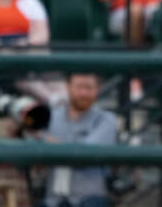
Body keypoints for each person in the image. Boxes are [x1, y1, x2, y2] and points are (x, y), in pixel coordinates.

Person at [40, 73, 117, 207]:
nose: (83, 93)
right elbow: (28, 153)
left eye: (89, 88)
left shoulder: (106, 120)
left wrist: (43, 138)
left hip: (91, 199)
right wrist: (20, 129)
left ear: (98, 89)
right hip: (53, 200)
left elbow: (83, 154)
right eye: (79, 87)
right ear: (68, 87)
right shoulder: (50, 116)